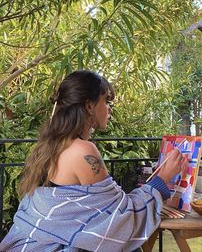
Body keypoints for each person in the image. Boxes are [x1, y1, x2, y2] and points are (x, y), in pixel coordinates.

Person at [0, 70, 188, 252]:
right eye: (106, 101)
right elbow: (120, 217)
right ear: (89, 106)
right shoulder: (83, 150)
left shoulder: (51, 145)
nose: (110, 109)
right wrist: (162, 179)